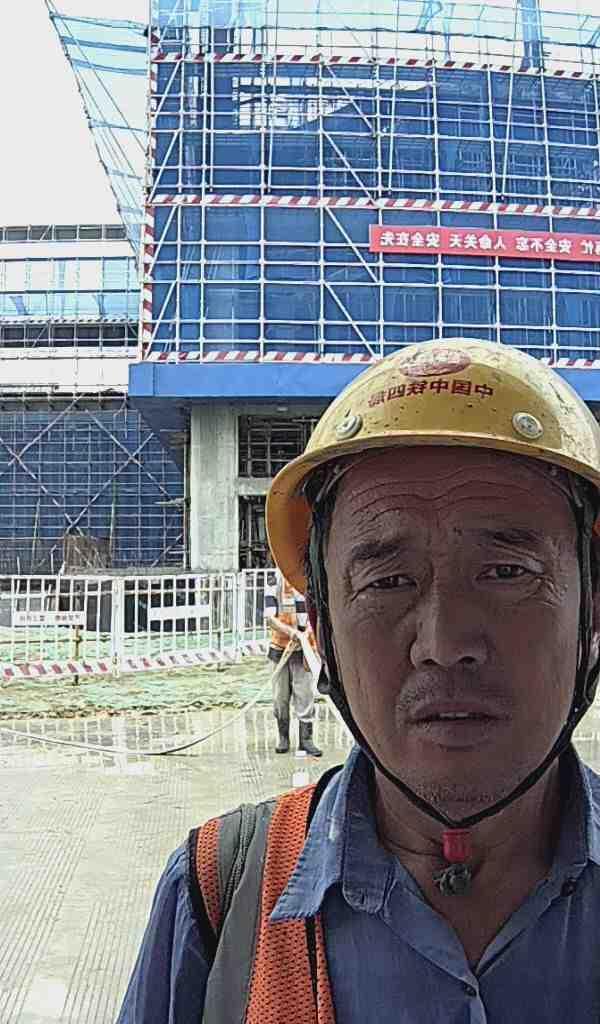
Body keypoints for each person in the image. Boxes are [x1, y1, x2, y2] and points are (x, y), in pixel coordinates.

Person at [117, 339, 600, 1023]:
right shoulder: (216, 898)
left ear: (592, 608)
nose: (444, 646)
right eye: (387, 581)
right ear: (321, 627)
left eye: (506, 573)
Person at [264, 569, 323, 756]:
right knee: (280, 697)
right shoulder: (274, 581)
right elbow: (270, 618)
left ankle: (306, 740)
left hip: (304, 650)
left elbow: (318, 612)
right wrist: (292, 633)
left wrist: (306, 634)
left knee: (305, 695)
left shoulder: (309, 581)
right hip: (280, 650)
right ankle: (283, 737)